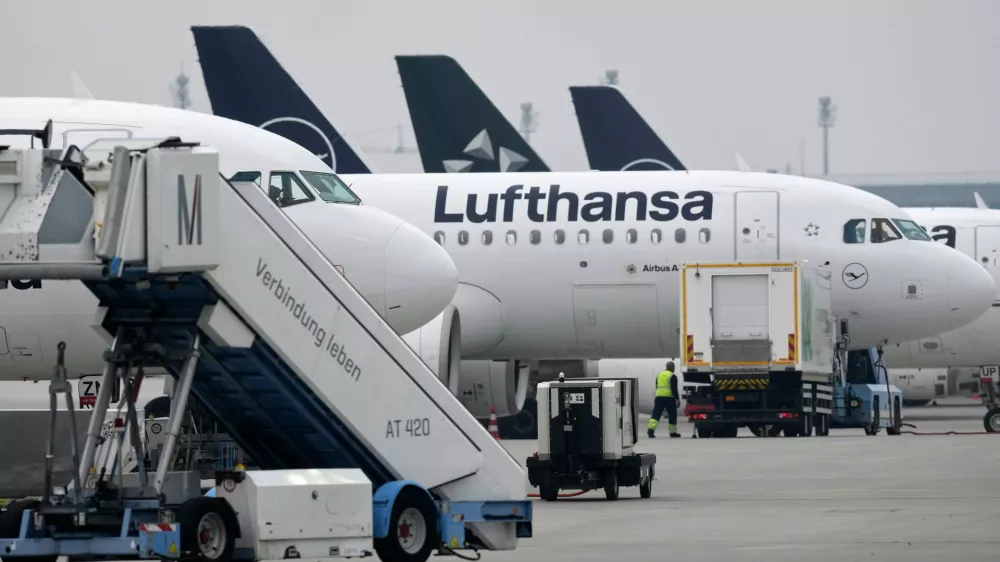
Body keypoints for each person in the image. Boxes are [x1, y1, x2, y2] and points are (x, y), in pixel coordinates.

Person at [647, 361, 680, 438]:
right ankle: (673, 433)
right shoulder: (672, 376)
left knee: (656, 414)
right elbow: (674, 389)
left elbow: (657, 386)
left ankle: (650, 430)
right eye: (674, 367)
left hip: (659, 397)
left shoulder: (659, 375)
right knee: (672, 415)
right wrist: (677, 399)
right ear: (672, 367)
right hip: (669, 398)